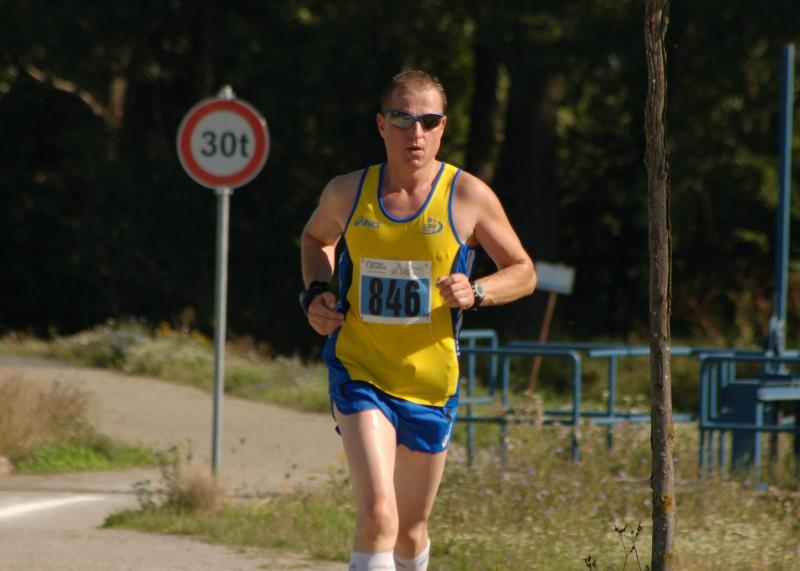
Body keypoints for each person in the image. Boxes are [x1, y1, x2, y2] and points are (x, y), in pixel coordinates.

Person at [299, 70, 536, 571]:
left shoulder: (467, 196)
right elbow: (316, 239)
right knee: (378, 514)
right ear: (381, 124)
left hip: (431, 383)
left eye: (429, 121)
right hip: (360, 371)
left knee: (410, 532)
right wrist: (317, 292)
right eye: (403, 119)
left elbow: (523, 271)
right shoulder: (348, 192)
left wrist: (477, 291)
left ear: (443, 127)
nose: (416, 133)